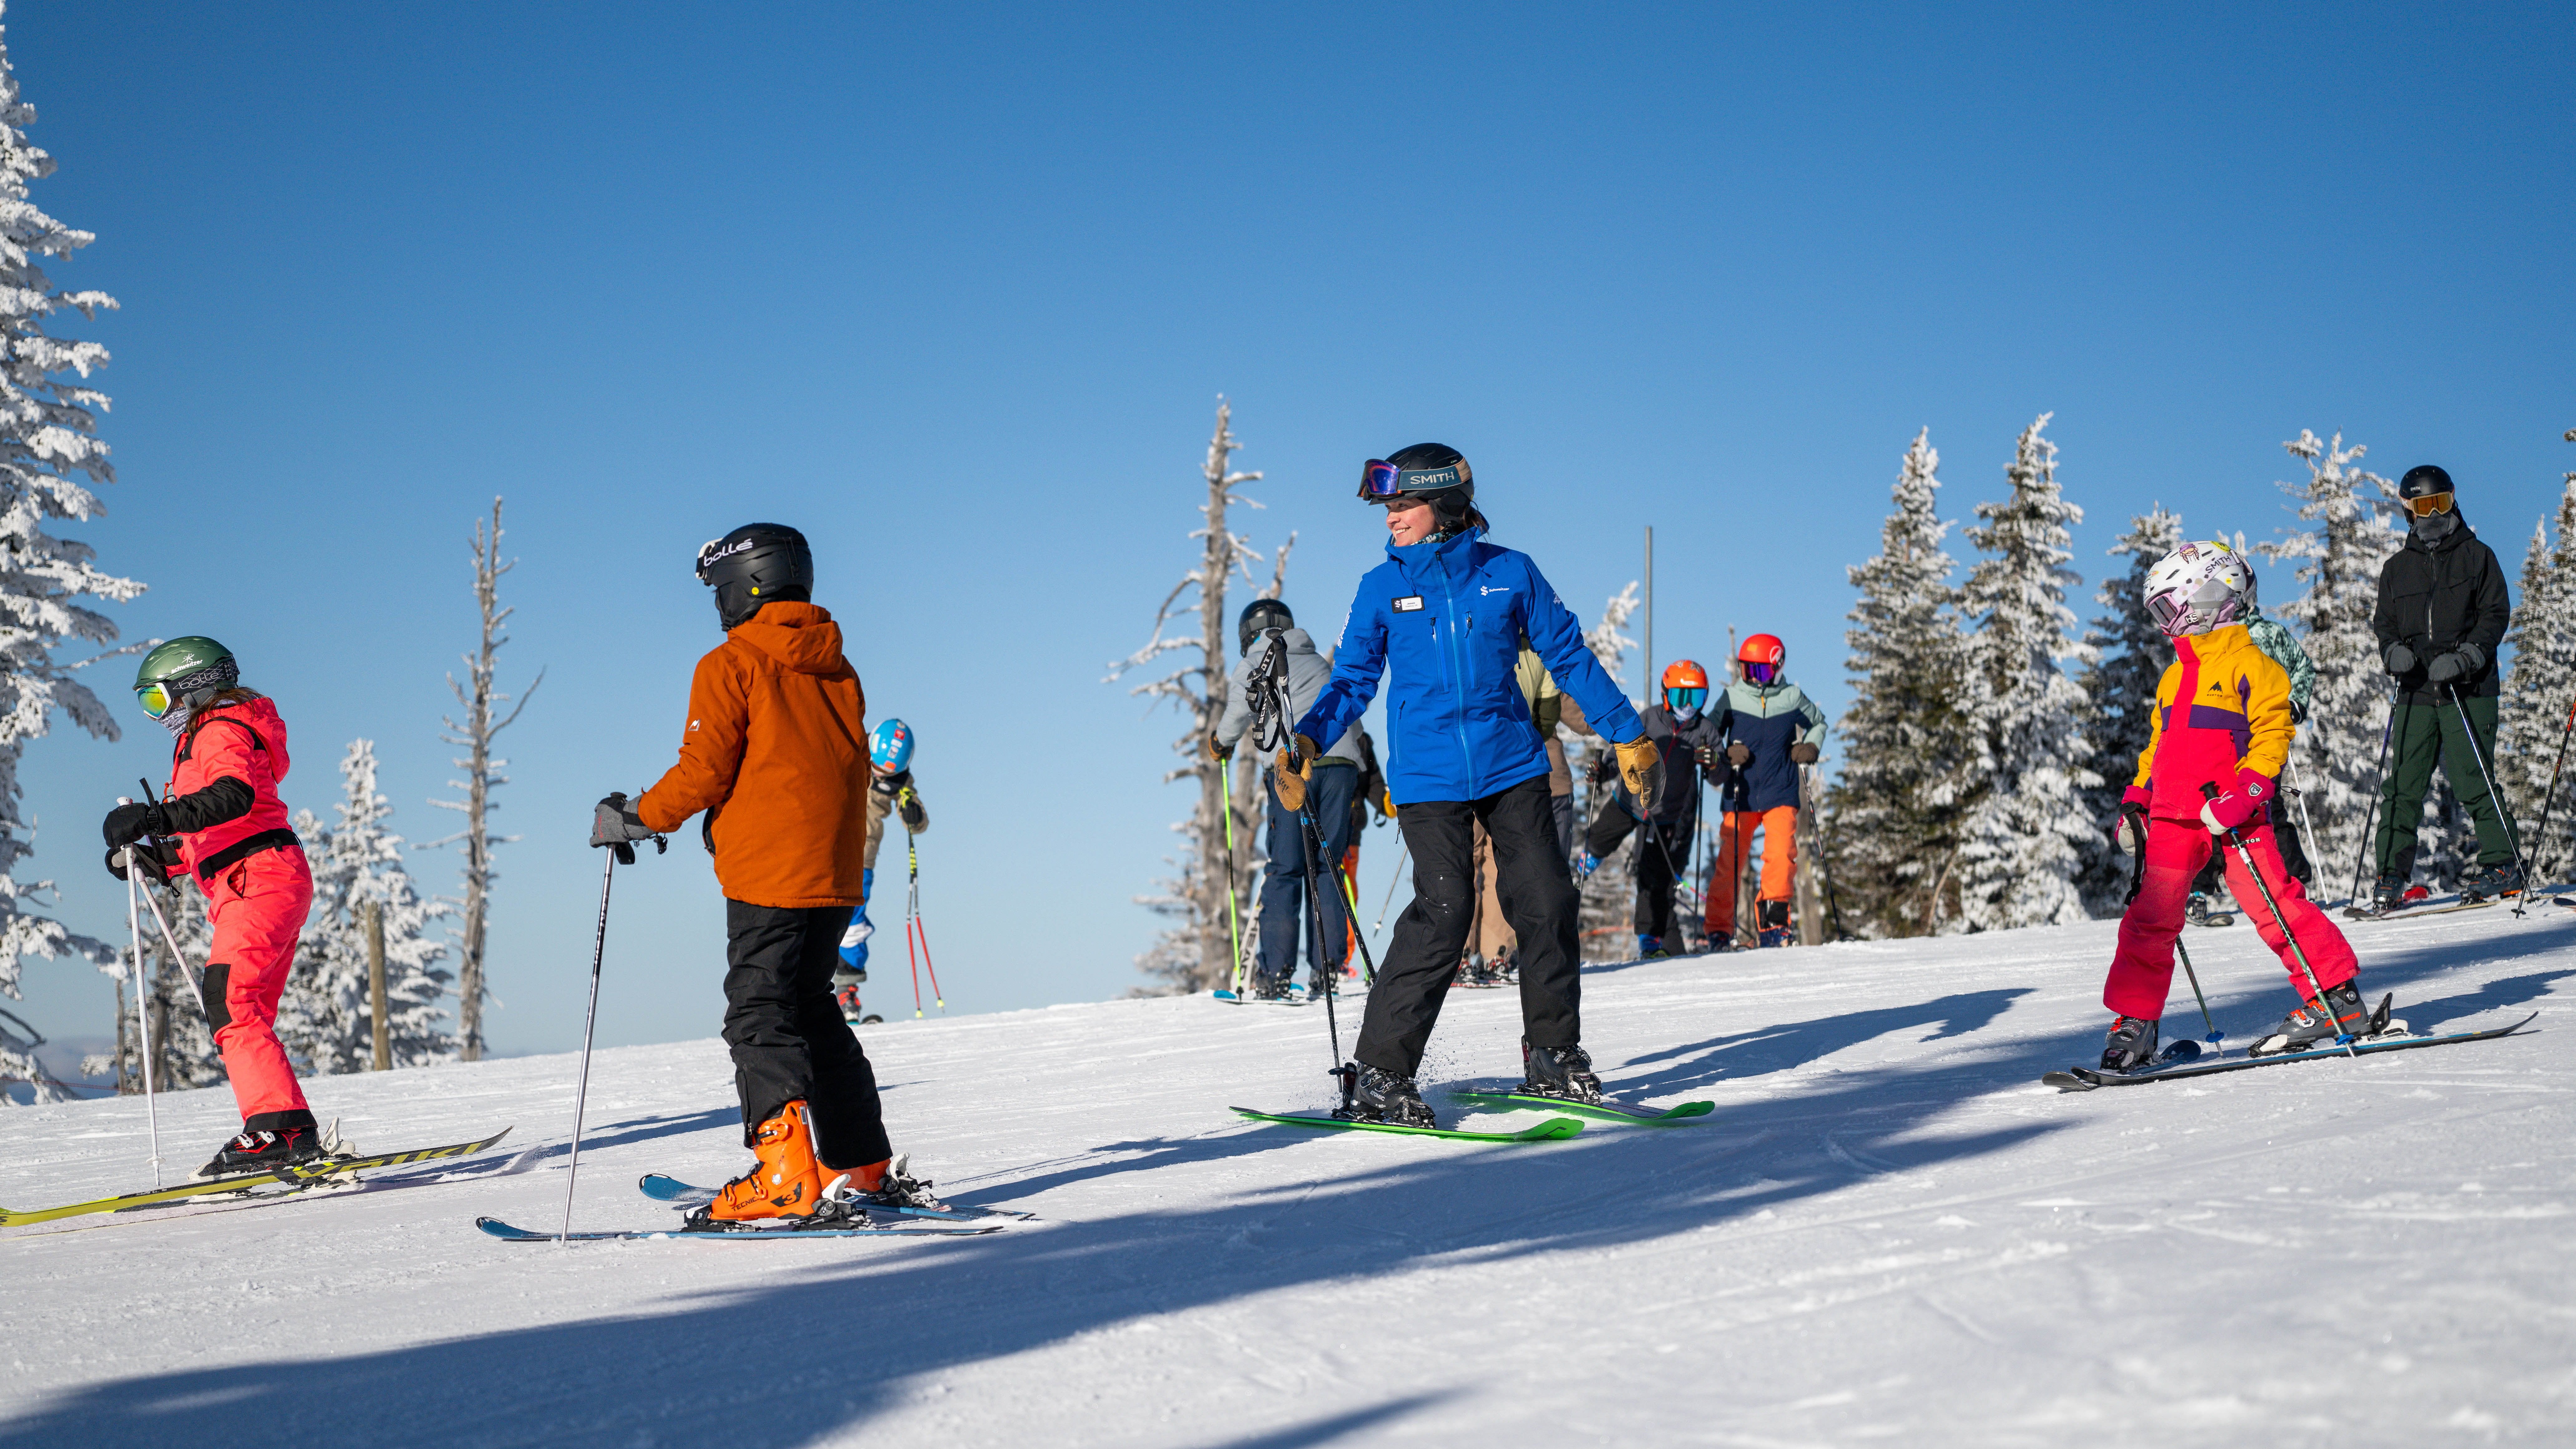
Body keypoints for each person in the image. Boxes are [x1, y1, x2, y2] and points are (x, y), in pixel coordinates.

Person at [1286, 443, 1661, 1125]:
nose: (1392, 519)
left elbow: (1568, 654)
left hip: (1511, 764)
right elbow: (1353, 680)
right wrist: (1310, 739)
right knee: (1445, 908)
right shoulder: (1381, 587)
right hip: (1429, 775)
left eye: (1403, 505)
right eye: (1389, 507)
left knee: (1547, 899)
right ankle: (1381, 1073)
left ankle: (1553, 1054)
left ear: (1446, 506)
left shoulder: (1509, 574)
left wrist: (1628, 733)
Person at [591, 523, 930, 1222]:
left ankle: (783, 1174)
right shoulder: (838, 668)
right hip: (833, 874)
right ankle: (861, 1163)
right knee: (813, 1010)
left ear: (747, 584)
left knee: (758, 1012)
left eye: (718, 588)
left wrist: (638, 817)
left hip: (770, 874)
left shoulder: (731, 664)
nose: (717, 604)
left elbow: (705, 769)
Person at [2100, 540, 2369, 1069]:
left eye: (2168, 606)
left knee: (2275, 904)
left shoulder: (2254, 665)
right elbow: (2157, 746)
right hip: (2175, 816)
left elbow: (2273, 735)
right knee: (2148, 919)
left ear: (2209, 596)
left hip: (2233, 813)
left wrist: (2245, 792)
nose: (2166, 621)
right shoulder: (2175, 674)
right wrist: (2138, 800)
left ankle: (2337, 996)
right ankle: (2136, 1021)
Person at [100, 637, 324, 1176]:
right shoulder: (213, 733)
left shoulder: (219, 729)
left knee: (230, 999)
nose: (160, 715)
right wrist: (155, 859)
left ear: (193, 687)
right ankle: (287, 1128)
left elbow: (233, 797)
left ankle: (279, 1127)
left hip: (257, 875)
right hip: (257, 874)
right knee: (243, 1009)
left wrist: (156, 817)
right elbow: (212, 828)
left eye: (158, 700)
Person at [2368, 464, 2520, 911]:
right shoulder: (2396, 569)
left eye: (2441, 503)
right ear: (2407, 512)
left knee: (2473, 779)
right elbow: (2385, 624)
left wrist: (2468, 656)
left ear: (2454, 501)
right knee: (2403, 787)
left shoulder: (2478, 557)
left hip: (2467, 688)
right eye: (2422, 506)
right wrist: (2392, 650)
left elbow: (2495, 614)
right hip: (2416, 690)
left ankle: (2502, 865)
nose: (2432, 515)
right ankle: (2391, 876)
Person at [1210, 597, 1364, 998]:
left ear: (1248, 633)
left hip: (1291, 768)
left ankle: (1276, 971)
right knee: (1329, 865)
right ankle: (1327, 967)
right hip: (1341, 763)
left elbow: (1235, 718)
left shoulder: (1255, 662)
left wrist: (1219, 744)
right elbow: (1352, 719)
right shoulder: (1318, 662)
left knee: (1287, 867)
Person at [1579, 659, 1726, 958]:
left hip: (1664, 817)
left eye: (1695, 698)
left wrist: (1713, 763)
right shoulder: (1649, 719)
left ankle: (1650, 941)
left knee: (1653, 880)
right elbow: (1621, 752)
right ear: (1665, 694)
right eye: (1680, 697)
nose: (1687, 706)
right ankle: (1578, 871)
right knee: (1599, 839)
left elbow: (1719, 776)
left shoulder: (1706, 731)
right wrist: (1603, 773)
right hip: (1628, 801)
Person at [2185, 606, 2318, 921]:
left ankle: (2293, 884)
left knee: (2266, 806)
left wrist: (2295, 703)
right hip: (2218, 736)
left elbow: (2302, 667)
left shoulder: (2270, 634)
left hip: (2259, 737)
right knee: (2209, 807)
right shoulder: (2206, 636)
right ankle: (2198, 891)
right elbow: (2188, 674)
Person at [1704, 634, 1827, 949]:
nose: (1753, 679)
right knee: (1730, 862)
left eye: (1760, 672)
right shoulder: (1732, 697)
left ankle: (1774, 927)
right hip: (1739, 792)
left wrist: (1810, 746)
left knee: (1781, 857)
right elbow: (1709, 734)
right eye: (1747, 671)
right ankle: (1718, 929)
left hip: (1781, 791)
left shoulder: (1792, 697)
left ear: (1777, 667)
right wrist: (1726, 752)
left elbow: (1818, 723)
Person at [832, 718, 929, 1022]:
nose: (881, 774)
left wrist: (914, 815)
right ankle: (796, 993)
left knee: (853, 925)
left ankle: (846, 994)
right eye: (877, 767)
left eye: (888, 772)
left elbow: (914, 812)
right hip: (827, 850)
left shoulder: (901, 782)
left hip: (862, 860)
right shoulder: (850, 752)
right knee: (811, 918)